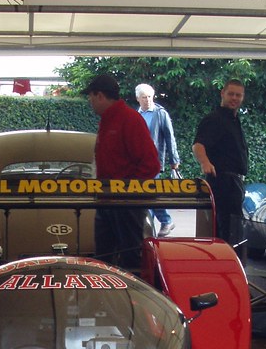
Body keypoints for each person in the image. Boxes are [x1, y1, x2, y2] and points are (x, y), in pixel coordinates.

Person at [85, 73, 160, 272]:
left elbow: (151, 164)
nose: (90, 102)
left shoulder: (129, 120)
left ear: (100, 96)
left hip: (126, 205)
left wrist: (124, 189)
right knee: (104, 259)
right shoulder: (110, 120)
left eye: (91, 97)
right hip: (109, 202)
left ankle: (131, 299)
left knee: (129, 261)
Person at [191, 79, 248, 248]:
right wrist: (205, 163)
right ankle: (226, 265)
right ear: (222, 93)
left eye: (238, 95)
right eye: (231, 94)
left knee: (233, 229)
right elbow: (198, 145)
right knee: (226, 229)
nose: (234, 98)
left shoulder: (234, 120)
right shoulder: (214, 119)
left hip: (233, 183)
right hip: (222, 182)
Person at [135, 83, 180, 236]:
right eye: (144, 97)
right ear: (138, 99)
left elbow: (169, 136)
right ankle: (150, 232)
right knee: (146, 196)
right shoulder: (136, 114)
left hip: (153, 161)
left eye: (149, 97)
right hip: (139, 162)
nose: (147, 100)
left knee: (149, 193)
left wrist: (174, 160)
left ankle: (166, 220)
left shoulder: (161, 113)